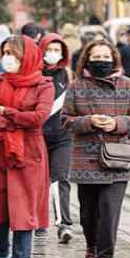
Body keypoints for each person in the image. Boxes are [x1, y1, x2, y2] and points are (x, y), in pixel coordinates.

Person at [0, 35, 54, 258]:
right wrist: (14, 117)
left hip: (29, 154)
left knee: (25, 214)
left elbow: (39, 117)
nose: (8, 58)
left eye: (14, 53)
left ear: (27, 56)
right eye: (6, 52)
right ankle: (1, 252)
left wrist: (6, 112)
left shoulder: (44, 84)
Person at [63, 40, 130, 258]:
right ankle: (92, 245)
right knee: (88, 212)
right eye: (96, 57)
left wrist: (116, 123)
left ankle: (106, 257)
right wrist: (89, 122)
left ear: (114, 59)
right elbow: (65, 120)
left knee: (109, 210)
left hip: (117, 158)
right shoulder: (76, 86)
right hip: (85, 159)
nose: (101, 61)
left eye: (105, 57)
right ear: (87, 60)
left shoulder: (126, 85)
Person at [39, 33, 75, 244]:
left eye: (57, 50)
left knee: (60, 177)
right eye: (49, 49)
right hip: (37, 136)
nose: (52, 54)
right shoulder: (33, 74)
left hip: (63, 136)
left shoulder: (68, 75)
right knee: (37, 181)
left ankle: (64, 225)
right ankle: (37, 221)